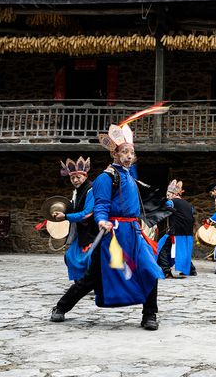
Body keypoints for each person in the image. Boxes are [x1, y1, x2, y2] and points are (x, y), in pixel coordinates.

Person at [50, 121, 164, 330]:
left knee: (149, 269)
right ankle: (60, 307)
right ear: (115, 154)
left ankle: (150, 314)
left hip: (133, 233)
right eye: (124, 152)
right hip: (113, 234)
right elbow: (101, 205)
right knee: (93, 277)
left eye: (132, 152)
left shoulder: (130, 175)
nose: (129, 155)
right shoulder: (105, 177)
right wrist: (102, 220)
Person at [53, 157, 96, 282]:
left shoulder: (91, 190)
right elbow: (73, 208)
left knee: (88, 258)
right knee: (70, 256)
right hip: (81, 232)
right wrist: (60, 212)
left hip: (93, 231)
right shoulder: (76, 192)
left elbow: (87, 213)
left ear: (85, 176)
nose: (75, 180)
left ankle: (90, 282)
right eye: (72, 178)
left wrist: (66, 217)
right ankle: (81, 282)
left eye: (78, 177)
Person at [158, 180, 197, 278]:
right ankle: (191, 270)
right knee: (183, 250)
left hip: (176, 231)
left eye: (168, 195)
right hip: (188, 232)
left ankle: (166, 271)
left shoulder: (171, 202)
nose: (167, 197)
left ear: (173, 194)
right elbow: (192, 213)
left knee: (161, 247)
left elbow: (166, 207)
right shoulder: (188, 204)